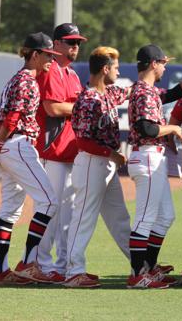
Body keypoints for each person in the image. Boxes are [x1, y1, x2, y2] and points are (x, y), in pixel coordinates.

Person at [0, 32, 61, 286]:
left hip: (9, 147)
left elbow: (2, 119)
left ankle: (1, 270)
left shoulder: (15, 80)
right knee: (49, 201)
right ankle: (28, 263)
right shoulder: (27, 81)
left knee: (10, 210)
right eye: (48, 55)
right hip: (17, 145)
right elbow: (12, 118)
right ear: (34, 54)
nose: (52, 59)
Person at [126, 44, 182, 289]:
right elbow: (146, 128)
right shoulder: (142, 91)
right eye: (163, 62)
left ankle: (149, 268)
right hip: (147, 156)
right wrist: (172, 128)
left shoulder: (147, 90)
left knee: (165, 217)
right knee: (145, 218)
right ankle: (137, 275)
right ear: (153, 63)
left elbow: (173, 94)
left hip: (153, 157)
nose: (165, 66)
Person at [65, 47, 132, 288]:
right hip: (92, 162)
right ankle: (74, 271)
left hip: (106, 165)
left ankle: (141, 265)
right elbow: (82, 140)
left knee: (120, 219)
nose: (118, 71)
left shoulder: (109, 93)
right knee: (84, 217)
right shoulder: (88, 98)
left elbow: (138, 91)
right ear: (105, 69)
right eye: (115, 67)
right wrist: (111, 153)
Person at [34, 23, 87, 283]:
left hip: (70, 153)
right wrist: (81, 107)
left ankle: (62, 265)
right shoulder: (51, 70)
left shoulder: (73, 74)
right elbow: (53, 108)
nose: (75, 46)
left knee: (67, 214)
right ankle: (41, 265)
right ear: (56, 44)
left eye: (77, 42)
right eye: (69, 41)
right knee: (50, 211)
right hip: (51, 151)